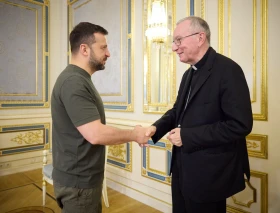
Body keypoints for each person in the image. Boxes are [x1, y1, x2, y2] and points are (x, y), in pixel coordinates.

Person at [146, 16, 253, 213]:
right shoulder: (188, 74)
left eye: (178, 40)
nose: (174, 47)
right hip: (182, 168)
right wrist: (155, 128)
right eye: (174, 41)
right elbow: (177, 111)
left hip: (210, 175)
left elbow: (240, 125)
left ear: (200, 37)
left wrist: (186, 136)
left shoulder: (228, 70)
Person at [51, 22, 152, 213]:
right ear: (84, 49)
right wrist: (135, 134)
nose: (108, 53)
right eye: (103, 47)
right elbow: (95, 134)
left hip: (80, 180)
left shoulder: (78, 79)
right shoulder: (73, 82)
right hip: (79, 183)